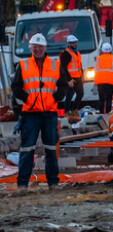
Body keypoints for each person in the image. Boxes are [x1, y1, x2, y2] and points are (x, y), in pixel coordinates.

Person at [10, 33, 70, 192]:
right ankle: (22, 184)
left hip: (49, 112)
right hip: (30, 113)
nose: (37, 50)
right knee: (27, 149)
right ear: (30, 48)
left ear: (45, 48)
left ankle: (53, 183)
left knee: (51, 148)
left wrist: (57, 97)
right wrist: (27, 98)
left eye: (40, 47)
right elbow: (15, 87)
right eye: (34, 47)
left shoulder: (55, 65)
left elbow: (63, 84)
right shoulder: (23, 65)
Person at [60, 34, 83, 117]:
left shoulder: (77, 52)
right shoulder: (66, 54)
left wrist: (82, 76)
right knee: (69, 95)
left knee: (80, 94)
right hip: (71, 79)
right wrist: (68, 79)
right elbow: (63, 68)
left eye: (75, 42)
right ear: (68, 43)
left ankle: (74, 110)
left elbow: (79, 65)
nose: (74, 44)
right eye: (72, 43)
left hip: (78, 77)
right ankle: (67, 112)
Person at [95, 42, 113, 114]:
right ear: (110, 50)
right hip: (110, 82)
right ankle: (108, 113)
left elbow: (95, 69)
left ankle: (101, 113)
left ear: (102, 50)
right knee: (109, 98)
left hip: (100, 81)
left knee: (101, 98)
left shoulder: (98, 59)